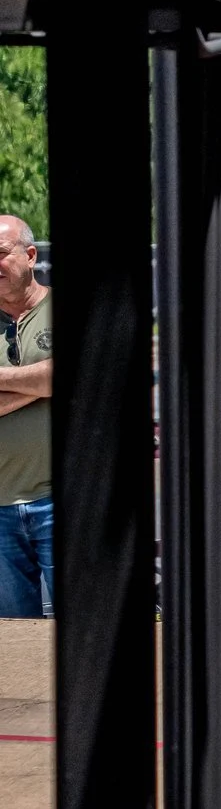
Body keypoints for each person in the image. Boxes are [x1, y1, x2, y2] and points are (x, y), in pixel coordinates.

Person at [0, 217, 51, 618]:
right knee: (17, 635)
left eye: (1, 254)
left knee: (83, 628)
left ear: (29, 255)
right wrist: (39, 386)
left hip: (59, 502)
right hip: (0, 510)